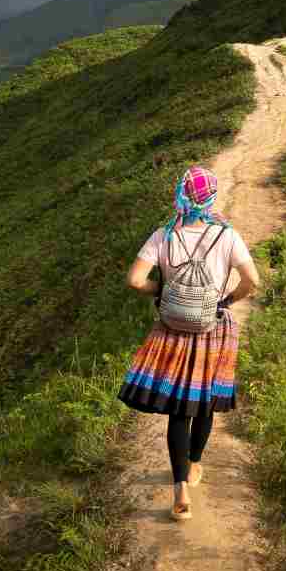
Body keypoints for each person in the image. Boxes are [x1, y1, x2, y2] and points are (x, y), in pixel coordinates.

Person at [118, 166, 261, 521]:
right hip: (212, 329)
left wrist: (162, 290)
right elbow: (252, 280)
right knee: (204, 403)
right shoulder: (227, 236)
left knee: (179, 410)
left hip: (172, 329)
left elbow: (135, 281)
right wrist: (227, 300)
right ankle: (194, 464)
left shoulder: (163, 235)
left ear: (180, 194)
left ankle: (180, 486)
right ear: (210, 197)